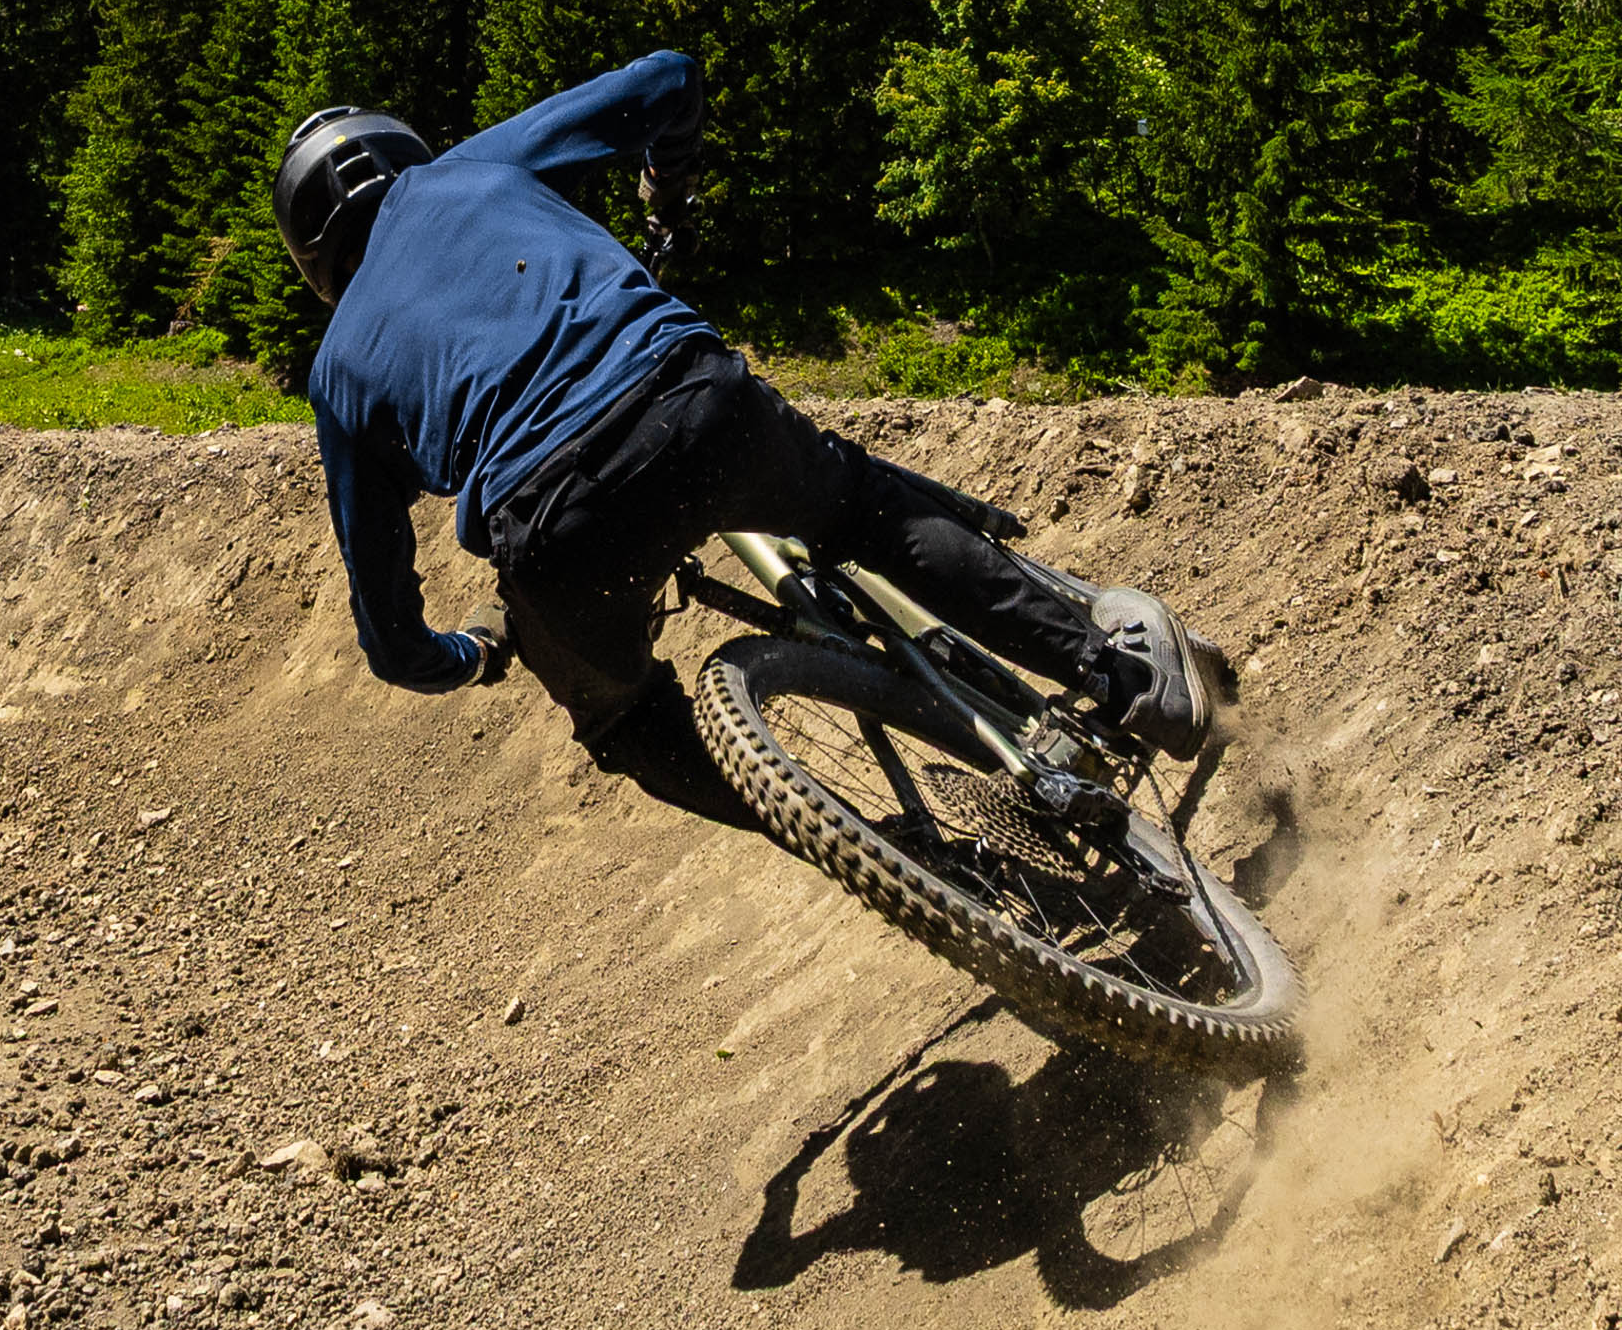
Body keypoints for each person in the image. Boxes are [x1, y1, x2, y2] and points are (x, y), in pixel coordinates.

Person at [276, 49, 1224, 804]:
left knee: (626, 726)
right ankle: (1124, 679)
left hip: (556, 533)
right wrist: (667, 191)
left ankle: (896, 854)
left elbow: (391, 635)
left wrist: (468, 654)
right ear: (404, 156)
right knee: (862, 512)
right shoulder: (473, 170)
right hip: (691, 402)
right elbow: (669, 78)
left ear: (314, 256)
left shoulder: (338, 372)